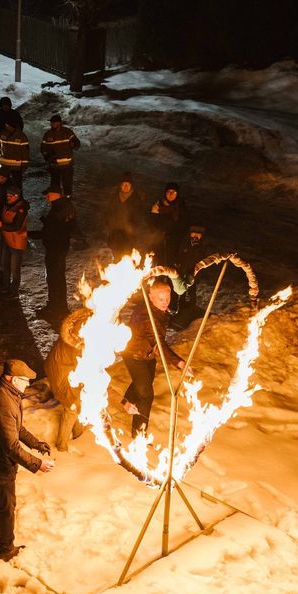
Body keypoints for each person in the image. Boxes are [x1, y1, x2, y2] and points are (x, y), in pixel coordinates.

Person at [0, 359, 56, 561]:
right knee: (6, 507)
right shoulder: (4, 402)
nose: (27, 385)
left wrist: (35, 443)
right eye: (25, 381)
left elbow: (15, 427)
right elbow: (11, 446)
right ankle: (6, 549)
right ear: (14, 379)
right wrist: (38, 464)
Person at [121, 279, 191, 437]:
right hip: (134, 354)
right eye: (161, 299)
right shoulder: (147, 316)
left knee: (144, 381)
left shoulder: (157, 308)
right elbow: (158, 344)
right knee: (146, 395)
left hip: (147, 353)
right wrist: (179, 363)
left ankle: (127, 401)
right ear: (150, 297)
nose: (165, 302)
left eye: (167, 298)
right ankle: (139, 435)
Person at [45, 309, 90, 451]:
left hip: (65, 369)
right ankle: (62, 446)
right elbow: (85, 369)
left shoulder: (76, 332)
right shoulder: (77, 345)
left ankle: (78, 434)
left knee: (79, 401)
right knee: (72, 406)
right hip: (61, 374)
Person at [34, 185, 77, 316]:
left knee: (54, 278)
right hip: (59, 247)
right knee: (57, 277)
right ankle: (59, 305)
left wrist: (34, 234)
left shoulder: (60, 208)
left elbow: (54, 230)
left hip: (56, 248)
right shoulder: (63, 206)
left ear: (57, 194)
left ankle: (56, 306)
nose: (47, 196)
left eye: (49, 194)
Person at [103, 171, 146, 258]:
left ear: (131, 186)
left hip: (129, 235)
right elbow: (108, 213)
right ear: (120, 185)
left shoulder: (136, 199)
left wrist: (132, 227)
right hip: (115, 233)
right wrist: (110, 225)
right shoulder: (114, 197)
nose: (125, 187)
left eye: (128, 184)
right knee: (116, 256)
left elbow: (140, 217)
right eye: (123, 184)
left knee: (127, 257)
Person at [0, 186, 30, 296]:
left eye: (11, 196)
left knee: (15, 268)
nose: (9, 198)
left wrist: (1, 225)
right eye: (7, 196)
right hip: (7, 239)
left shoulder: (21, 209)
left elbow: (16, 226)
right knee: (4, 264)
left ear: (17, 196)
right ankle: (5, 286)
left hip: (17, 242)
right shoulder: (7, 205)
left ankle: (14, 291)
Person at [40, 114, 81, 197]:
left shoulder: (68, 132)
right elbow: (43, 148)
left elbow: (77, 143)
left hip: (67, 164)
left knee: (67, 183)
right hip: (54, 165)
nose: (51, 124)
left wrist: (74, 144)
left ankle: (67, 198)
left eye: (53, 123)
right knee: (55, 183)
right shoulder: (48, 134)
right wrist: (47, 158)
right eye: (51, 123)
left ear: (59, 123)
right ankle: (56, 198)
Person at [149, 182, 188, 267]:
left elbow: (183, 226)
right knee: (158, 263)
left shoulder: (181, 207)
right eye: (168, 192)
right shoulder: (158, 206)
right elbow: (152, 224)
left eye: (173, 192)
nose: (170, 194)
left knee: (170, 264)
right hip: (159, 240)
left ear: (177, 194)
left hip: (174, 242)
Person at [0, 122, 29, 188]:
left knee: (17, 185)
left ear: (12, 127)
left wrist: (24, 165)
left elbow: (25, 152)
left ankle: (17, 194)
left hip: (16, 167)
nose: (6, 127)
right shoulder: (3, 134)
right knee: (3, 185)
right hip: (4, 165)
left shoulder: (21, 136)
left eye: (7, 126)